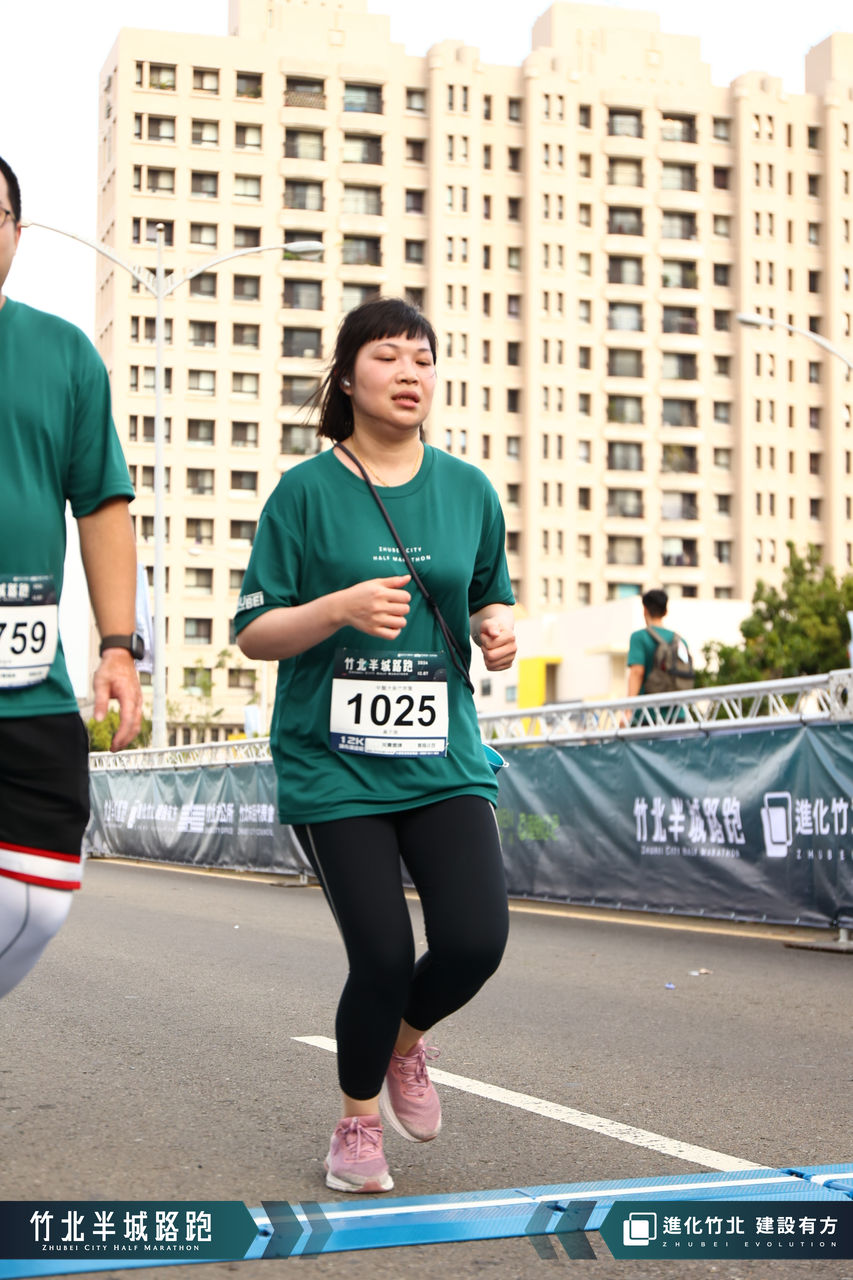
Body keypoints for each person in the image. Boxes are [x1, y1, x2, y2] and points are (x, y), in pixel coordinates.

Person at [235, 297, 517, 1193]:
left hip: (441, 759)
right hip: (335, 764)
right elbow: (254, 632)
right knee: (384, 958)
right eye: (388, 356)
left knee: (474, 942)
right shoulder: (304, 494)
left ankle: (403, 1045)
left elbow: (487, 593)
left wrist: (498, 627)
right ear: (348, 378)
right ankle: (355, 1126)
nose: (409, 373)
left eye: (422, 358)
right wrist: (338, 608)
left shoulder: (468, 490)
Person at [0, 155, 143, 1000]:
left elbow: (101, 507)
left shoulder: (64, 354)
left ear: (15, 233)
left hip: (28, 686)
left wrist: (118, 646)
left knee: (41, 901)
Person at [626, 588, 685, 697]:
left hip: (649, 705)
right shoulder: (680, 641)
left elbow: (637, 672)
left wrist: (629, 705)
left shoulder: (639, 637)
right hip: (677, 704)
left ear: (645, 610)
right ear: (665, 612)